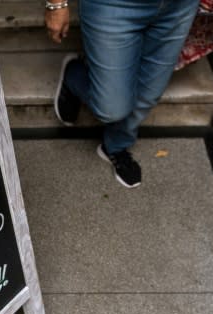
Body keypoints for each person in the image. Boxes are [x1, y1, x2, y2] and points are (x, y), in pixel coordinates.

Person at [45, 0, 200, 188]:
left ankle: (116, 145)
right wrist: (56, 4)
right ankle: (74, 75)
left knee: (149, 93)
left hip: (180, 6)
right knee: (110, 109)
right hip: (113, 5)